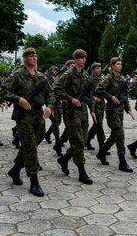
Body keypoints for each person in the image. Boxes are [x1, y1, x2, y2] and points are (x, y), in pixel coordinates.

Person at [0, 48, 54, 197]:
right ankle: (34, 182)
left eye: (36, 55)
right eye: (31, 56)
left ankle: (15, 170)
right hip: (23, 118)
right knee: (30, 148)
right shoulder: (17, 75)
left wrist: (49, 106)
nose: (35, 58)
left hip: (39, 117)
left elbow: (51, 93)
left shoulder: (41, 76)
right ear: (24, 59)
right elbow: (2, 91)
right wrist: (19, 99)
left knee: (33, 143)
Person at [55, 49, 95, 184]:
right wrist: (71, 99)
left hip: (83, 111)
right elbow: (56, 88)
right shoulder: (68, 74)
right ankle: (82, 172)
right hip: (72, 112)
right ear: (76, 59)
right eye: (81, 58)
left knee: (83, 141)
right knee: (78, 142)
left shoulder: (86, 76)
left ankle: (64, 159)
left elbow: (90, 95)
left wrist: (92, 110)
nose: (84, 60)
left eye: (85, 58)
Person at [95, 57, 134, 173]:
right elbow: (99, 89)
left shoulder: (122, 79)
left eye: (121, 64)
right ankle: (122, 161)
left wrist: (128, 109)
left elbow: (124, 96)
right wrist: (111, 97)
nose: (120, 66)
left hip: (120, 111)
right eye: (117, 64)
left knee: (114, 135)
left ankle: (101, 152)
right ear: (112, 66)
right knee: (120, 134)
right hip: (111, 111)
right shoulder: (108, 78)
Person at [85, 62, 106, 151]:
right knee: (99, 124)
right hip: (93, 105)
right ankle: (102, 146)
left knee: (96, 124)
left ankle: (87, 140)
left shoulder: (102, 78)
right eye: (97, 68)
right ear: (93, 70)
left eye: (100, 68)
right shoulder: (89, 80)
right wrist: (93, 98)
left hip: (102, 104)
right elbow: (85, 93)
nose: (99, 70)